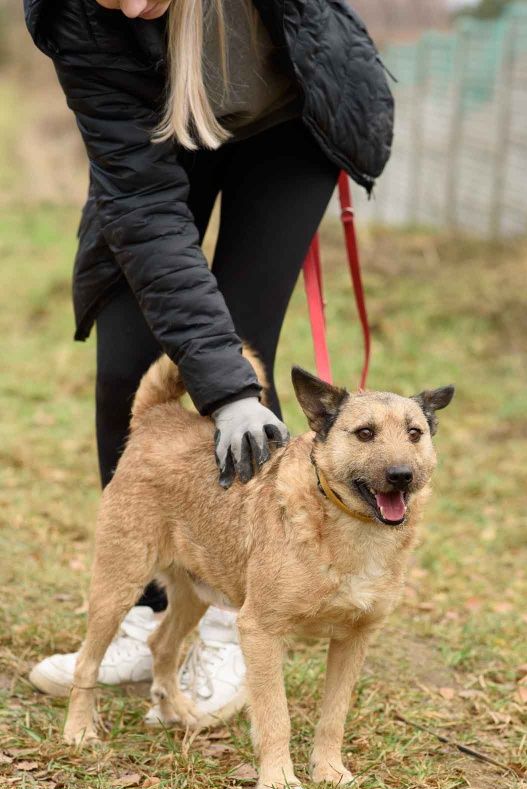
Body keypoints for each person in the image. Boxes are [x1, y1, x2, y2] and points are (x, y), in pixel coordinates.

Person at [23, 0, 394, 723]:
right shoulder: (77, 18)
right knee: (132, 365)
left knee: (244, 341)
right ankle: (152, 609)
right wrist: (215, 385)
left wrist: (232, 391)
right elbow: (140, 202)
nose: (129, 6)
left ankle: (241, 614)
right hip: (158, 133)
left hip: (288, 120)